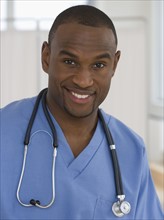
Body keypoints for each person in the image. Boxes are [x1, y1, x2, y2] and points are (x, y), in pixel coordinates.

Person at [0, 5, 163, 220]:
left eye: (98, 65)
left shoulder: (131, 150)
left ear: (115, 64)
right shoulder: (4, 130)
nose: (83, 80)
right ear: (46, 57)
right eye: (70, 62)